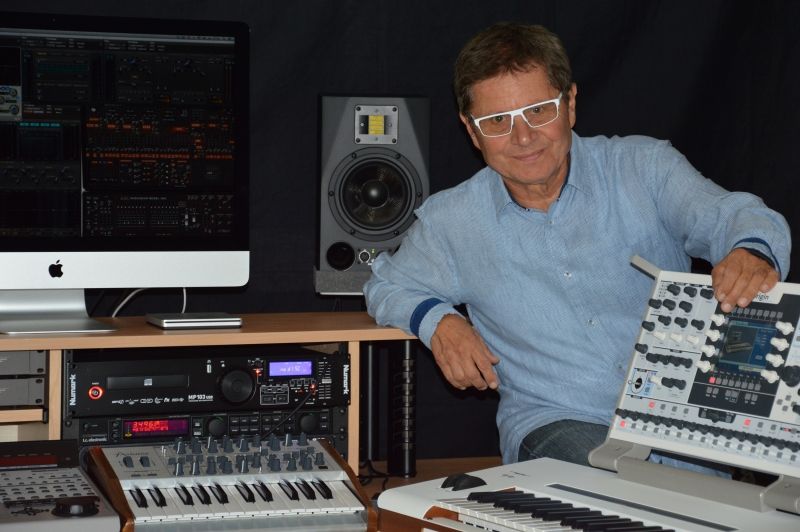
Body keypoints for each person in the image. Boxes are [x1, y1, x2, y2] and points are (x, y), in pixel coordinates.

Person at [363, 22, 791, 469]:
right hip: (555, 423)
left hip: (682, 422)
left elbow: (739, 216)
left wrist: (751, 252)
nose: (522, 137)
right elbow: (387, 286)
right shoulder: (451, 222)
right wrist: (440, 322)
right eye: (497, 121)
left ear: (569, 104)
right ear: (472, 132)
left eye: (539, 111)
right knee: (619, 485)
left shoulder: (645, 169)